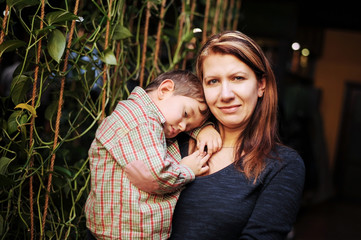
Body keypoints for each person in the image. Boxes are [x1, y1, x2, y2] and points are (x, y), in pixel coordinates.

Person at [169, 31, 306, 239]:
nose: (225, 95)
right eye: (213, 81)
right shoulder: (172, 139)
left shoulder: (282, 165)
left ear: (261, 85)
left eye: (238, 78)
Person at [84, 69, 222, 239]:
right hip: (124, 232)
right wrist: (187, 169)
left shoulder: (145, 117)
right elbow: (156, 175)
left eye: (189, 127)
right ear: (164, 90)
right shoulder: (140, 122)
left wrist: (202, 130)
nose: (182, 127)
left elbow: (181, 120)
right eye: (185, 114)